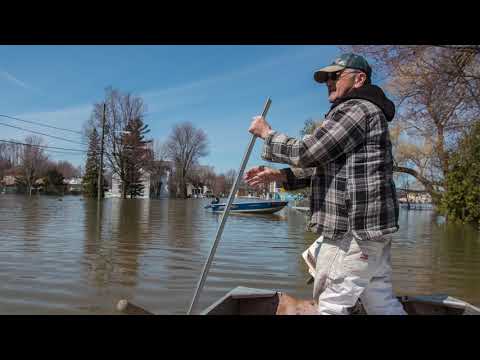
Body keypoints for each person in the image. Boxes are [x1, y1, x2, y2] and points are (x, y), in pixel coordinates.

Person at [244, 53, 407, 315]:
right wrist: (280, 176)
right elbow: (329, 169)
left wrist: (267, 134)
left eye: (335, 76)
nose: (328, 82)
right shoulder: (364, 111)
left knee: (331, 304)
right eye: (326, 79)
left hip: (351, 231)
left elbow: (310, 151)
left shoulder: (357, 109)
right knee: (380, 303)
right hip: (371, 232)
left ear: (359, 79)